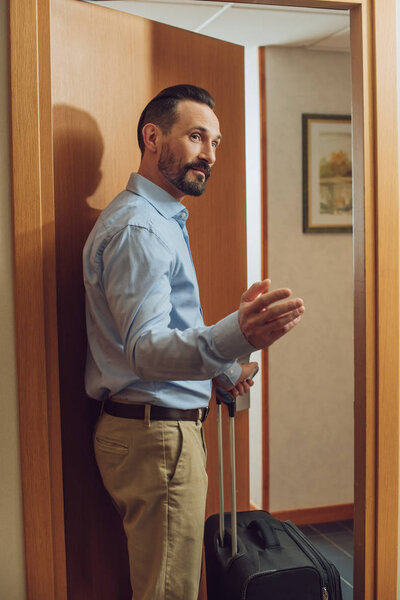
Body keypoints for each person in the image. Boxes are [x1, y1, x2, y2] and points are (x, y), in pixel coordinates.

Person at [83, 84, 305, 600]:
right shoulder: (140, 228)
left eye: (217, 141)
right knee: (169, 593)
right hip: (155, 439)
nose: (209, 153)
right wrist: (237, 332)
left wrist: (227, 370)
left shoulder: (161, 220)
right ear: (153, 137)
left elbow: (164, 329)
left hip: (156, 434)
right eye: (197, 136)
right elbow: (144, 349)